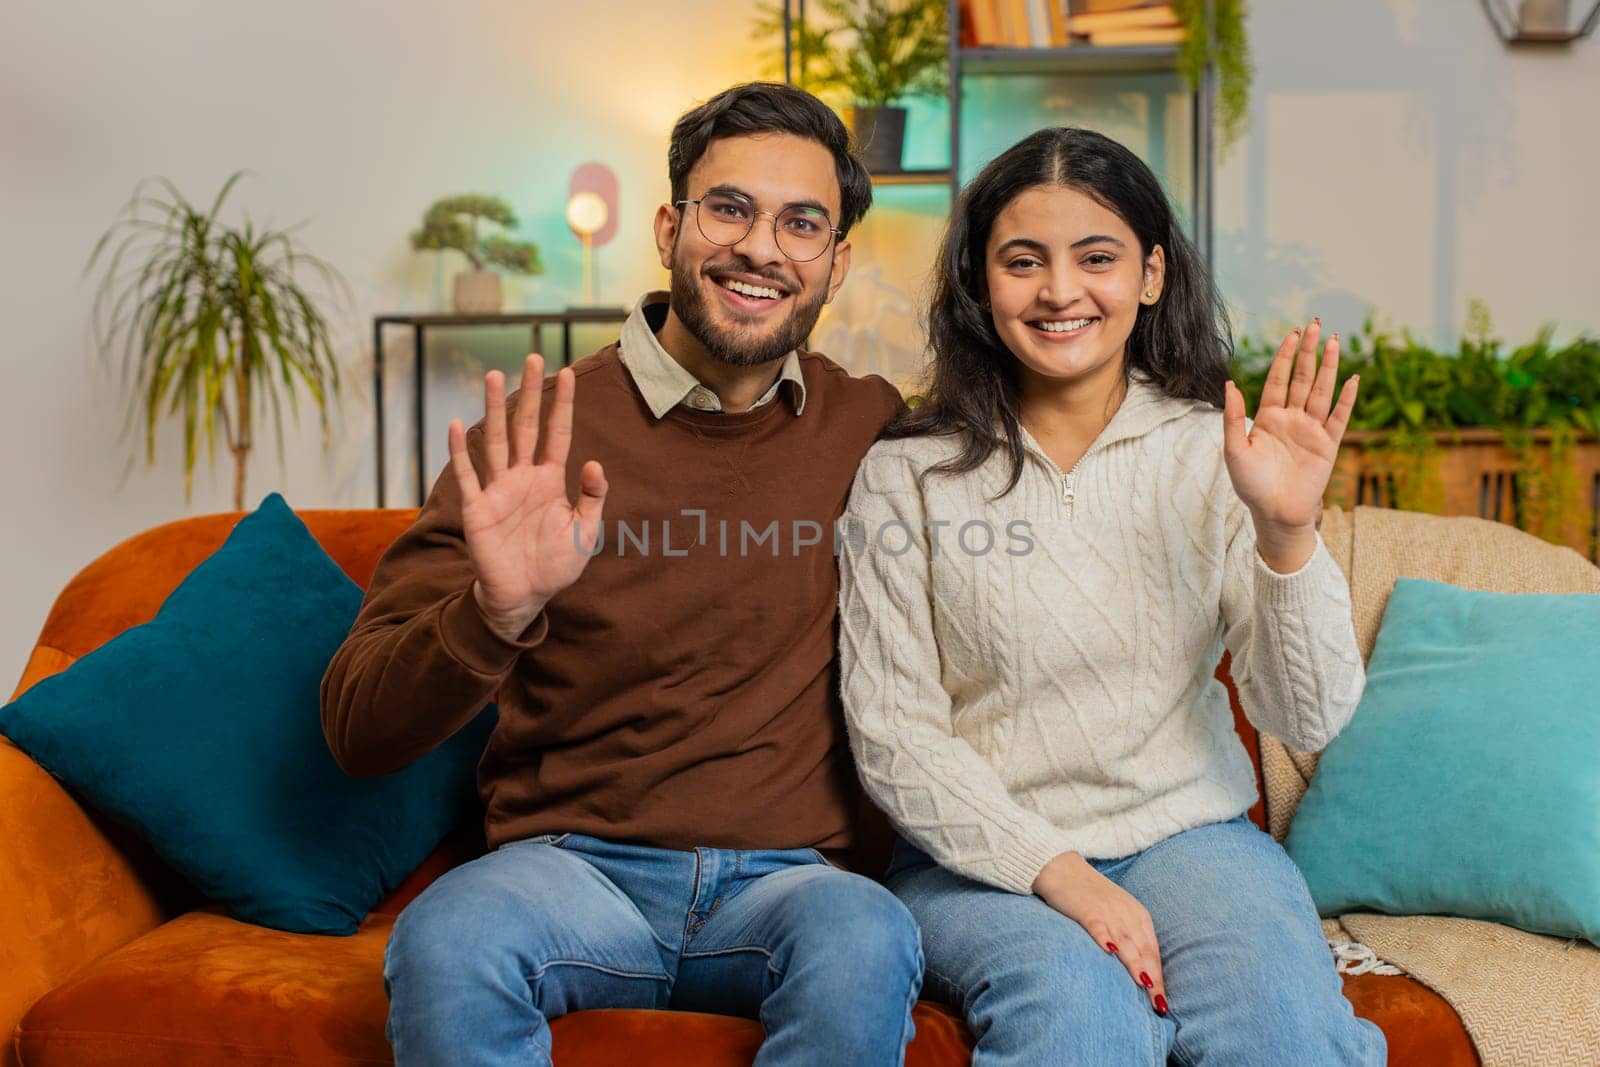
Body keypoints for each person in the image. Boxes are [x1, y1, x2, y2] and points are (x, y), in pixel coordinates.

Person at [322, 82, 921, 1067]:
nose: (762, 248)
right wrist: (494, 610)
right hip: (568, 869)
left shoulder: (869, 425)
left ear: (836, 263)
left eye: (800, 222)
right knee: (450, 936)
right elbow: (356, 727)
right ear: (668, 226)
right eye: (729, 206)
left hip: (792, 881)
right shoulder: (531, 437)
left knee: (869, 936)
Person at [837, 126, 1386, 1065]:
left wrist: (1287, 533)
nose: (1060, 291)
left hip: (1193, 840)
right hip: (981, 861)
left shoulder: (1216, 452)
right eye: (1023, 260)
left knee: (1285, 1035)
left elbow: (1308, 712)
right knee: (1082, 1023)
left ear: (1151, 274)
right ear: (979, 280)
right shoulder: (908, 475)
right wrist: (1062, 875)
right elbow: (894, 734)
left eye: (1097, 257)